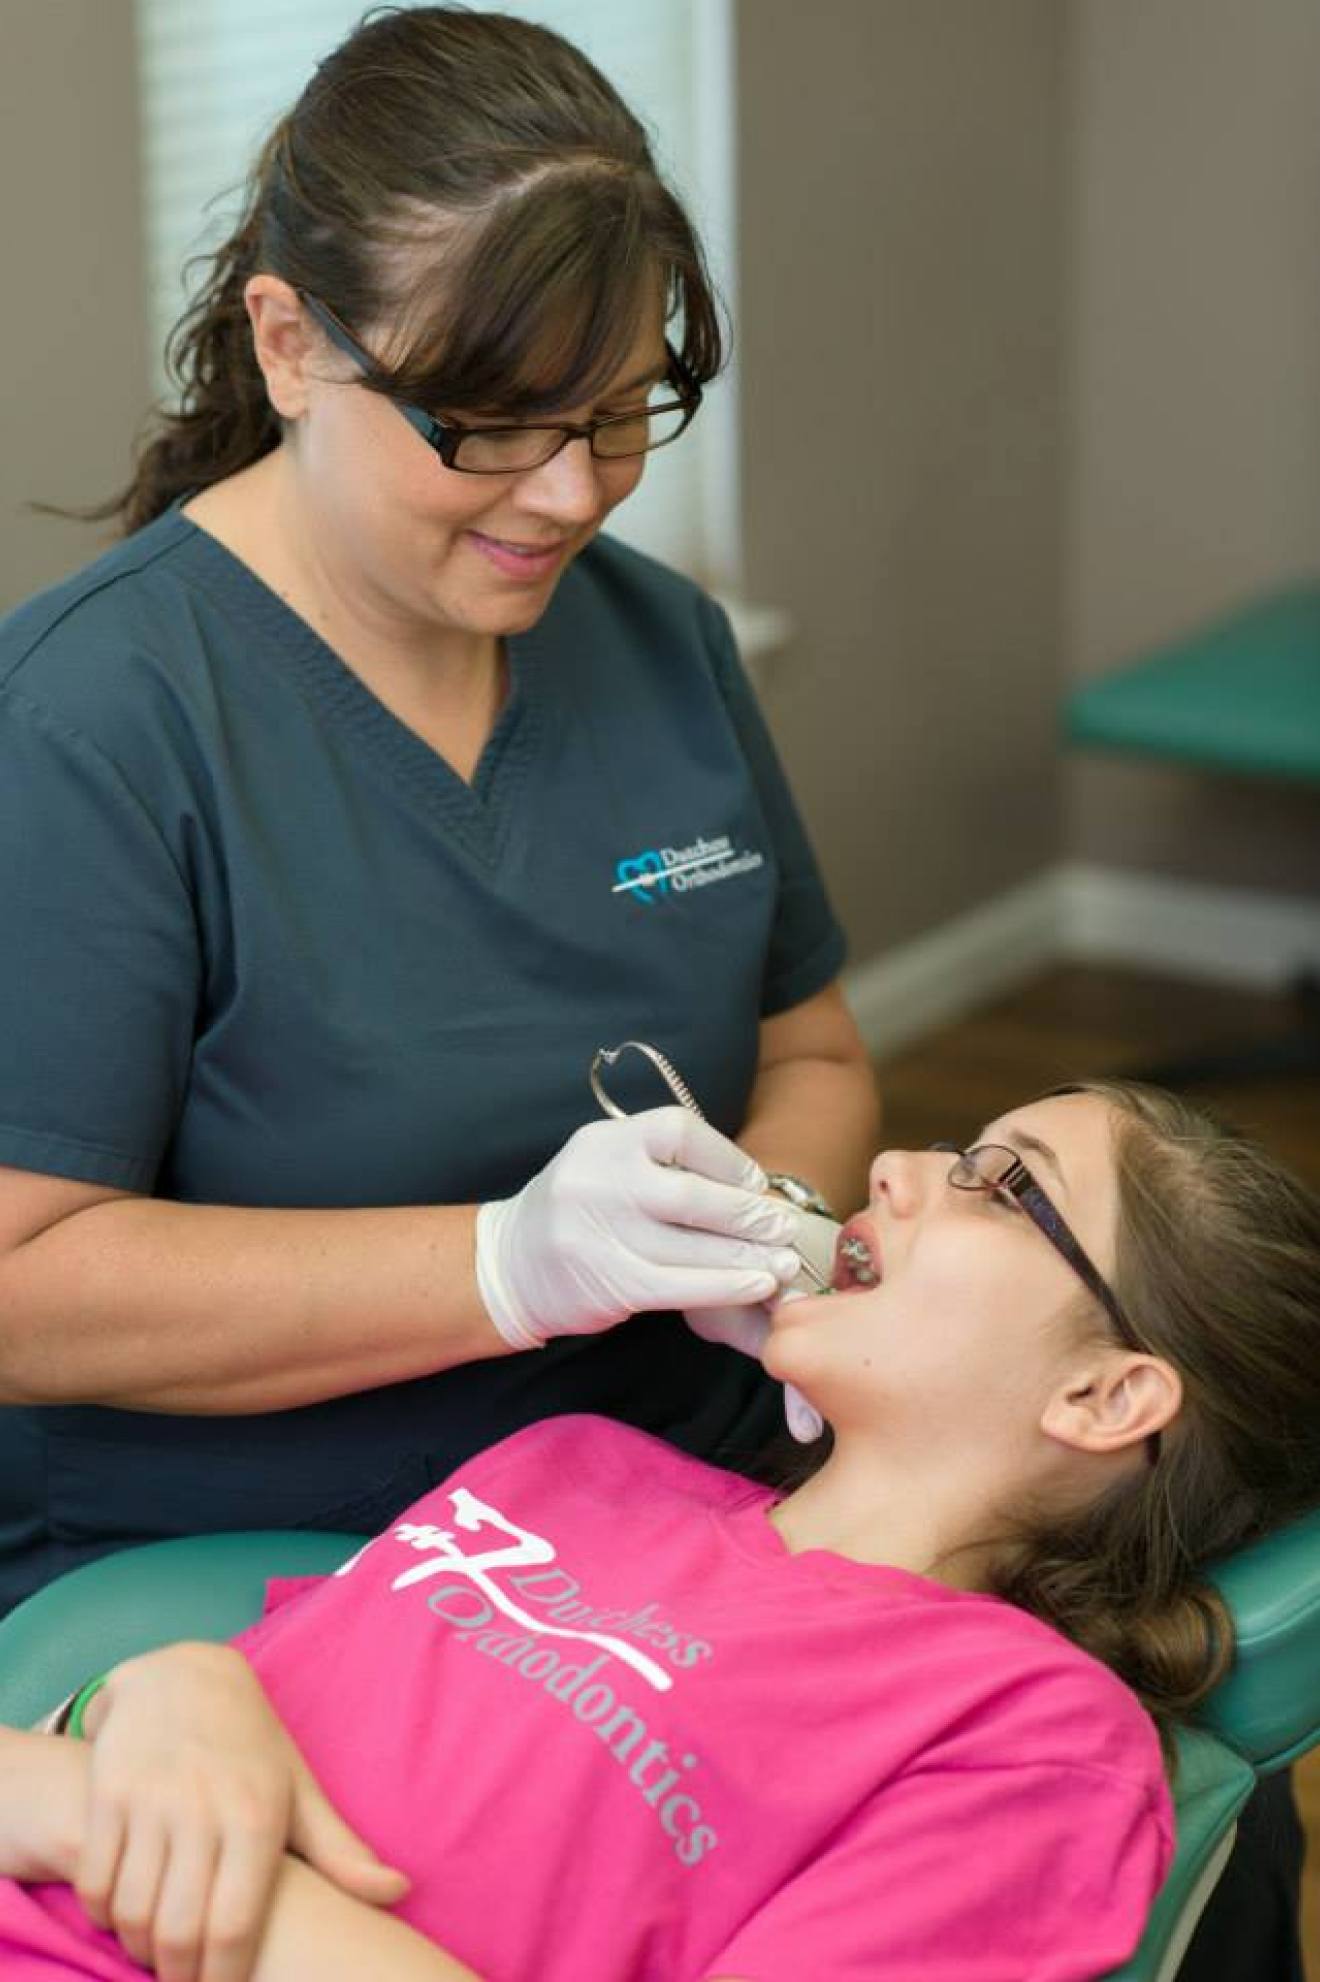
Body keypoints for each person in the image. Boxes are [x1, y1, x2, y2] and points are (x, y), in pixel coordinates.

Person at [0, 7, 879, 1613]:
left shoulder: (660, 641)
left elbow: (813, 1051)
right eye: (487, 423)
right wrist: (504, 1267)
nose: (572, 491)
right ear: (288, 345)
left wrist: (762, 1230)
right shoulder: (89, 720)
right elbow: (17, 1283)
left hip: (677, 1490)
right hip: (264, 1568)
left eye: (620, 413)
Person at [2, 1080, 1319, 1982]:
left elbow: (99, 1823)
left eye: (1001, 1182)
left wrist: (82, 1813)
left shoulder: (1031, 1745)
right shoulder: (574, 1469)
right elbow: (173, 1761)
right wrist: (157, 1690)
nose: (895, 1165)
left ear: (1106, 1394)